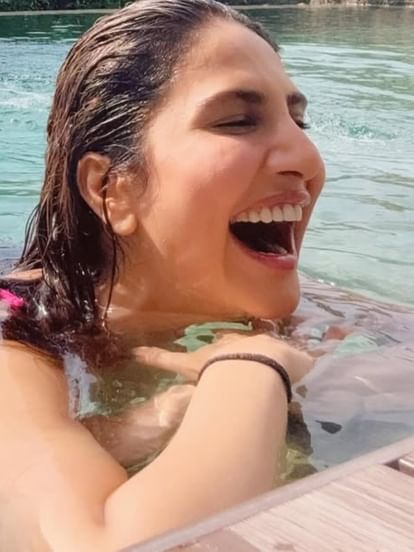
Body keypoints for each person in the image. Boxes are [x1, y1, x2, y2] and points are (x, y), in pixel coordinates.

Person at [0, 0, 325, 549]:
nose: (307, 157)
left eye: (299, 120)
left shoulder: (321, 319)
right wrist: (252, 366)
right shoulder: (19, 332)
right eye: (237, 121)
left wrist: (151, 418)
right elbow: (92, 543)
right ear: (111, 189)